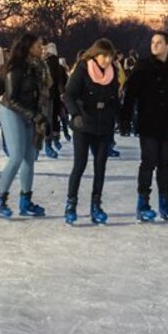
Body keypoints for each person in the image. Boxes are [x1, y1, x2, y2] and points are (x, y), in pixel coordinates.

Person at [122, 30, 168, 222]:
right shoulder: (143, 66)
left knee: (165, 164)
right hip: (148, 123)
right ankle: (143, 203)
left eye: (159, 42)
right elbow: (130, 93)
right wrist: (125, 118)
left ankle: (164, 202)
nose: (155, 45)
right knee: (148, 162)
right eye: (153, 42)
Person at [64, 38, 120, 225]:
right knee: (80, 165)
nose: (106, 60)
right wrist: (75, 114)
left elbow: (115, 99)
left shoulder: (113, 72)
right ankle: (71, 204)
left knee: (100, 167)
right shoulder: (83, 69)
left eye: (109, 56)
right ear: (95, 55)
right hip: (84, 124)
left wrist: (116, 115)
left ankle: (96, 205)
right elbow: (69, 94)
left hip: (104, 125)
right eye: (103, 56)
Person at [0, 33, 49, 219]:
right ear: (29, 48)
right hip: (12, 112)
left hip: (29, 115)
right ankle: (0, 201)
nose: (42, 49)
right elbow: (11, 99)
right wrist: (34, 115)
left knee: (29, 157)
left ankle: (26, 201)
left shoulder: (38, 68)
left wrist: (40, 115)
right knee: (16, 156)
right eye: (38, 46)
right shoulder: (15, 68)